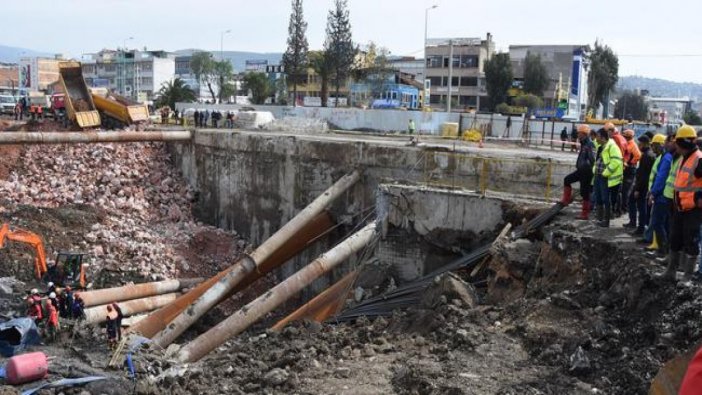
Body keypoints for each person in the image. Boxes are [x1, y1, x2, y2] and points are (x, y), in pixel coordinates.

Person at [661, 125, 702, 281]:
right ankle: (670, 272)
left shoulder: (698, 158)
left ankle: (687, 277)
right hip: (680, 206)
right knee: (675, 239)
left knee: (691, 241)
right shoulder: (683, 158)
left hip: (693, 209)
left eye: (676, 142)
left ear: (682, 142)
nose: (674, 145)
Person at [645, 134, 674, 257]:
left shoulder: (666, 158)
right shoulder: (664, 157)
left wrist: (653, 192)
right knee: (662, 223)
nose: (653, 148)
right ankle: (664, 249)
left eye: (654, 145)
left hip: (662, 195)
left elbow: (661, 177)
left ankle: (662, 250)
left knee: (658, 223)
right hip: (663, 194)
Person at [560, 124, 595, 219]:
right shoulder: (584, 143)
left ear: (584, 134)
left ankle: (585, 214)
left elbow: (592, 159)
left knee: (585, 192)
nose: (577, 134)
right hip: (581, 170)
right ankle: (565, 200)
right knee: (567, 180)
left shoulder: (589, 144)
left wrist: (587, 167)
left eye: (579, 132)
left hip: (586, 172)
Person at [592, 127, 624, 228]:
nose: (596, 139)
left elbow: (616, 161)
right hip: (598, 176)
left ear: (602, 137)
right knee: (598, 197)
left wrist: (606, 173)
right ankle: (599, 219)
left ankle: (606, 221)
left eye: (597, 136)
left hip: (605, 177)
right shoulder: (601, 146)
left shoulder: (612, 147)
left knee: (606, 199)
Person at [627, 134, 655, 234]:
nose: (638, 146)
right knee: (638, 204)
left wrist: (638, 189)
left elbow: (644, 174)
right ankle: (636, 224)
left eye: (639, 144)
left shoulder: (647, 156)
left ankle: (640, 227)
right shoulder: (649, 155)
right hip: (643, 184)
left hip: (642, 186)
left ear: (644, 144)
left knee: (641, 206)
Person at [621, 129, 642, 216]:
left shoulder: (632, 145)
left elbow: (638, 156)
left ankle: (625, 208)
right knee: (624, 190)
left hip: (630, 169)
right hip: (626, 168)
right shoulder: (628, 144)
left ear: (628, 137)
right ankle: (624, 207)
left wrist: (630, 163)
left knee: (626, 190)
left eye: (625, 136)